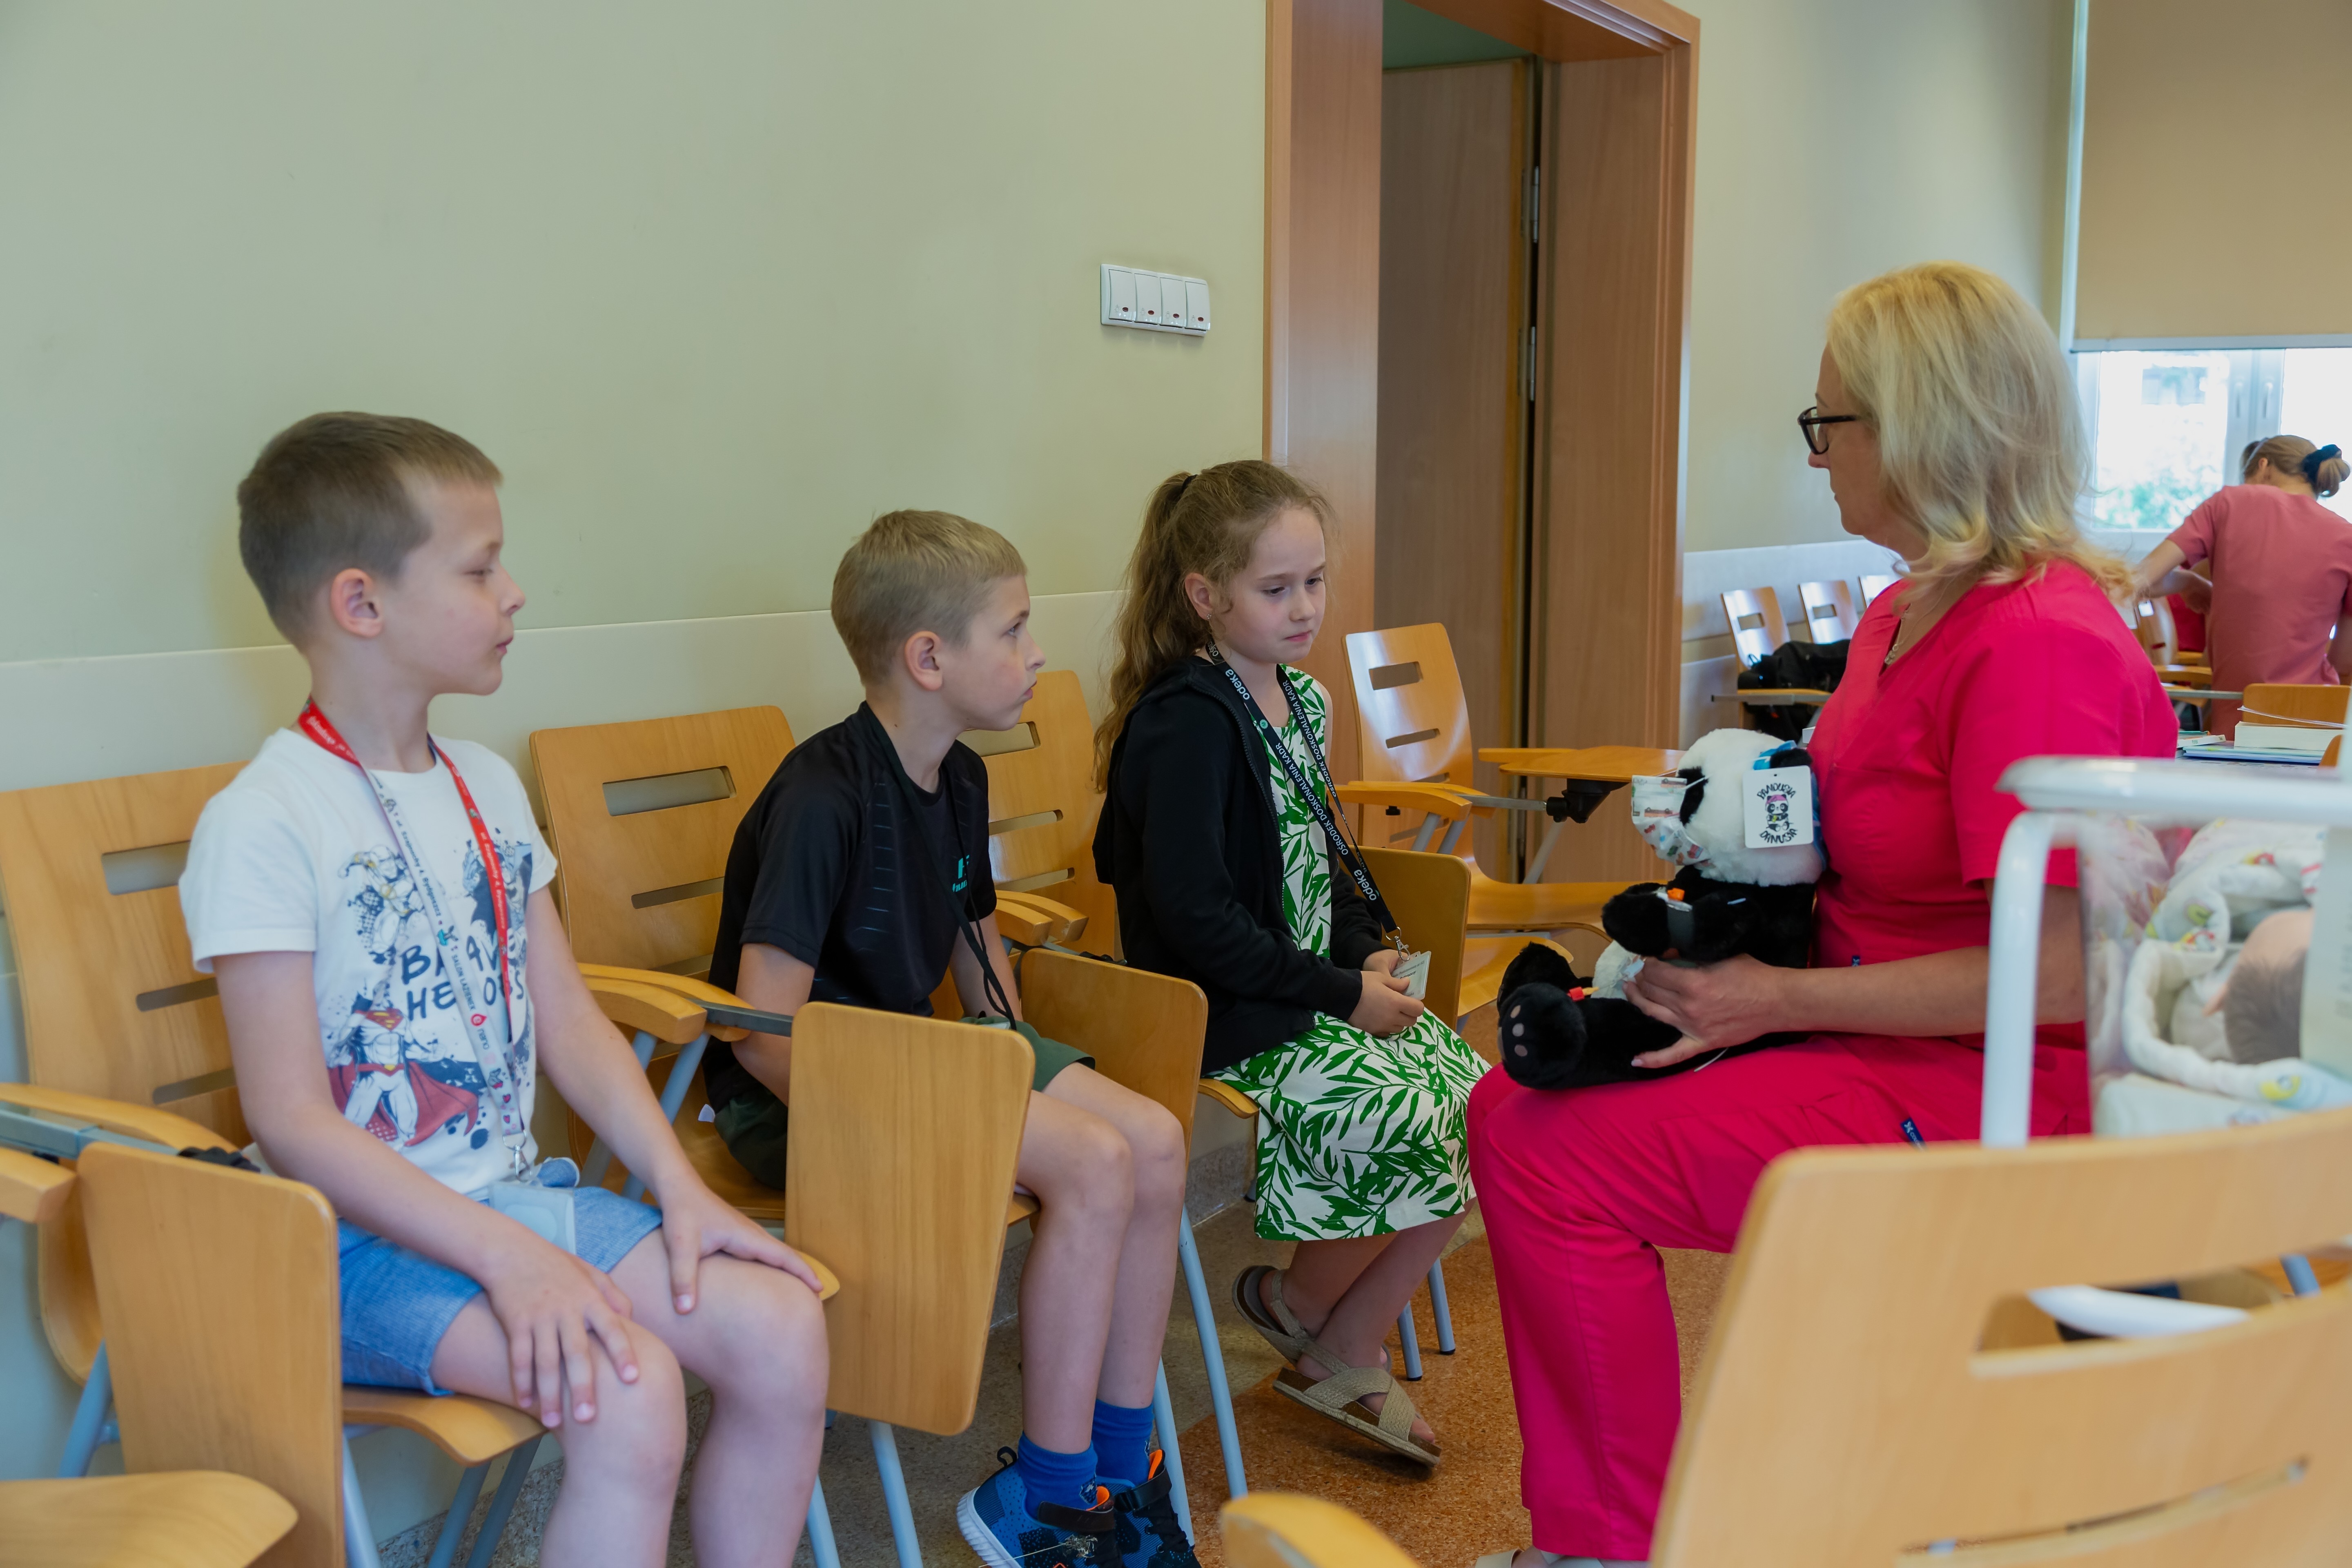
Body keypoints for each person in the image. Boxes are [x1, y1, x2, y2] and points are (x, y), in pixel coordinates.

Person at [1465, 263, 2177, 1568]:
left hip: (2000, 1083)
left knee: (1550, 1157)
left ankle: (1613, 1544)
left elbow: (2067, 972)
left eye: (1828, 423)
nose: (1815, 454)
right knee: (1516, 1104)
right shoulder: (1909, 608)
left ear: (1919, 431)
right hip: (1867, 1029)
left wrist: (1772, 1001)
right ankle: (1608, 1531)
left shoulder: (2037, 640)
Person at [185, 414, 829, 1568]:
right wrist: (504, 1255)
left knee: (782, 1329)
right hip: (345, 1248)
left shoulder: (484, 783)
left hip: (513, 1201)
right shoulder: (265, 821)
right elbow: (289, 1119)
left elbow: (569, 1018)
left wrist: (681, 1187)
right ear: (361, 603)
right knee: (628, 1387)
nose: (515, 591)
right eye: (480, 568)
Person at [699, 510, 1196, 1568]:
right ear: (928, 658)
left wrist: (1012, 1075)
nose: (1038, 652)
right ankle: (1045, 1498)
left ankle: (1121, 1471)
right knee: (1093, 1165)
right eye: (1013, 630)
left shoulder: (961, 775)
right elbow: (760, 1034)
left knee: (1152, 1144)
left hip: (926, 1057)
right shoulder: (821, 797)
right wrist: (946, 1121)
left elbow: (979, 955)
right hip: (802, 1097)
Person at [1091, 460, 1482, 1470]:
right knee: (1410, 1110)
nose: (1305, 607)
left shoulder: (1301, 699)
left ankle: (1333, 1336)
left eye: (1314, 581)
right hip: (1227, 1008)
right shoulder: (1183, 724)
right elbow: (1197, 921)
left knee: (1488, 1104)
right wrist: (1342, 993)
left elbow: (1321, 866)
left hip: (1302, 988)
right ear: (1203, 595)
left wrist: (1364, 951)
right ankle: (1308, 1312)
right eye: (1276, 589)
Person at [2132, 434, 2352, 737]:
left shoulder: (2227, 503)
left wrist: (2188, 581)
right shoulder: (2346, 536)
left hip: (2236, 727)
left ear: (2263, 467)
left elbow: (2138, 580)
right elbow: (2344, 661)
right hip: (2316, 725)